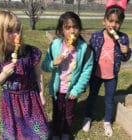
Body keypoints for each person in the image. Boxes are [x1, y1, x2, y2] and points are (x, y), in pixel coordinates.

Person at [0, 10, 49, 139]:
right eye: (10, 31)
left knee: (40, 132)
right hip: (10, 100)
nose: (16, 34)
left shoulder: (29, 52)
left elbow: (38, 74)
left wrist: (41, 93)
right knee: (15, 131)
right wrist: (3, 74)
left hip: (30, 97)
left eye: (18, 29)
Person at [82, 0, 131, 137]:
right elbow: (89, 54)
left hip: (111, 76)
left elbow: (125, 58)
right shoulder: (97, 36)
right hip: (96, 74)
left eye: (117, 22)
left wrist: (126, 51)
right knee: (92, 96)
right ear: (104, 21)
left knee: (109, 99)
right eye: (110, 21)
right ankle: (87, 117)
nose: (113, 25)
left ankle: (107, 121)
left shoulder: (123, 38)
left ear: (120, 24)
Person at [41, 11, 93, 140]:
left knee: (69, 114)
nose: (72, 31)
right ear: (61, 30)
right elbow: (44, 66)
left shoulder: (85, 49)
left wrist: (77, 89)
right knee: (57, 113)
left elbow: (86, 72)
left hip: (72, 90)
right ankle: (56, 133)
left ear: (79, 29)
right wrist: (54, 62)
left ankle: (65, 133)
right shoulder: (55, 45)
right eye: (67, 27)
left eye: (75, 27)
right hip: (57, 89)